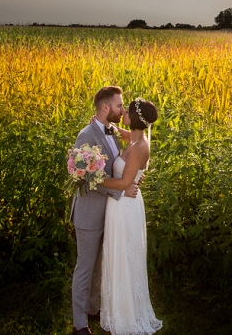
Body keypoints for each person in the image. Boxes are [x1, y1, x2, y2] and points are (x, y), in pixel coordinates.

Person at [70, 86, 140, 335]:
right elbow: (87, 178)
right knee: (85, 268)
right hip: (89, 213)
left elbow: (136, 142)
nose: (123, 110)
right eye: (119, 106)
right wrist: (120, 190)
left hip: (109, 213)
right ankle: (80, 324)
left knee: (99, 267)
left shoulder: (110, 131)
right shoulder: (86, 136)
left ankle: (92, 308)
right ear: (105, 107)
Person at [98, 97, 163, 335]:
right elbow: (124, 135)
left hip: (125, 206)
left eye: (127, 110)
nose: (123, 112)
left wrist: (92, 177)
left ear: (134, 117)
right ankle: (118, 310)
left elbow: (125, 182)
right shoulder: (134, 139)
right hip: (120, 205)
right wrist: (110, 126)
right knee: (118, 254)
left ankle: (127, 315)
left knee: (125, 258)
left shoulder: (140, 147)